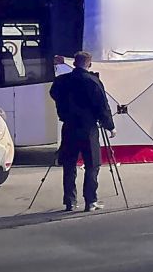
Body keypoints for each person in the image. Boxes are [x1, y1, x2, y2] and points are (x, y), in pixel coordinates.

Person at [49, 51, 115, 212]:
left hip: (69, 126)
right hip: (88, 128)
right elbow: (102, 105)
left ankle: (70, 202)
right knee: (92, 164)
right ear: (89, 64)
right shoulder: (93, 81)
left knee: (69, 164)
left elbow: (53, 93)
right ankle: (90, 201)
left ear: (74, 63)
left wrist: (64, 109)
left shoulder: (62, 81)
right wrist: (110, 126)